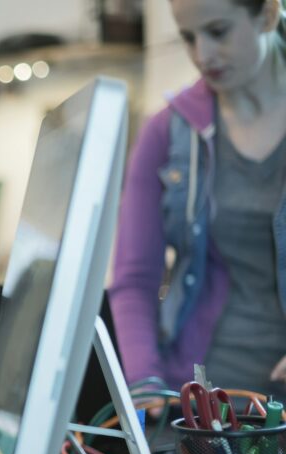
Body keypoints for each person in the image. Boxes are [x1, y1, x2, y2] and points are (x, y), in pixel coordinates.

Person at [110, 0, 286, 396]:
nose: (202, 55)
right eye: (188, 38)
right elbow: (135, 278)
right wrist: (144, 381)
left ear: (268, 14)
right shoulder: (167, 131)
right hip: (203, 406)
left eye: (218, 31)